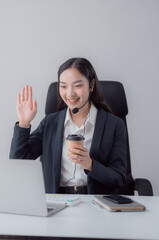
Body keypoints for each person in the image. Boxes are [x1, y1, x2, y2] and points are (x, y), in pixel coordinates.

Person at [9, 57, 127, 195]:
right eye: (63, 86)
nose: (70, 93)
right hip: (58, 200)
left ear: (91, 85)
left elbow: (119, 179)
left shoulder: (114, 125)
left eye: (77, 86)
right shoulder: (50, 123)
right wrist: (24, 123)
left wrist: (90, 165)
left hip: (96, 202)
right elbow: (19, 161)